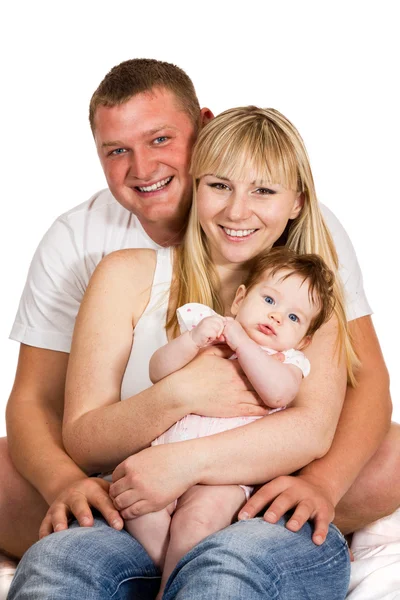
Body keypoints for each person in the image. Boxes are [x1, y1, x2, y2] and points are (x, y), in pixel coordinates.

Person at [1, 58, 396, 596]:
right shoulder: (111, 262)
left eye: (160, 138)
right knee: (60, 564)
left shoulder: (309, 281)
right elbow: (61, 419)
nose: (142, 168)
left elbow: (329, 414)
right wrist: (183, 394)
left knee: (233, 568)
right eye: (117, 149)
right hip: (138, 490)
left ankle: (204, 552)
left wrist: (318, 484)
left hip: (245, 486)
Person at [128, 247, 340, 599]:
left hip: (224, 478)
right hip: (163, 461)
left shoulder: (287, 361)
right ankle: (166, 572)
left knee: (198, 523)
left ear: (303, 340)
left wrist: (242, 344)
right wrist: (192, 340)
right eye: (269, 299)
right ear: (240, 299)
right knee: (136, 507)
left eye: (293, 318)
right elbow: (158, 373)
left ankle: (168, 589)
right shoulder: (207, 331)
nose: (275, 317)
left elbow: (277, 395)